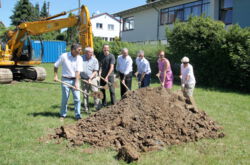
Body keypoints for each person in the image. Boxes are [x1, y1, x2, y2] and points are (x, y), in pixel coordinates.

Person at [54, 43, 83, 120]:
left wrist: (76, 82)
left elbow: (78, 71)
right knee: (65, 98)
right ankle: (62, 115)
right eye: (79, 49)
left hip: (75, 79)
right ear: (73, 50)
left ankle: (78, 115)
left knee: (77, 98)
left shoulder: (79, 58)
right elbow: (56, 65)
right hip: (65, 79)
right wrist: (55, 76)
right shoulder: (64, 56)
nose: (80, 51)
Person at [80, 47, 101, 113]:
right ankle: (86, 108)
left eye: (92, 52)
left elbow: (95, 71)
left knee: (96, 93)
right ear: (86, 52)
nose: (92, 54)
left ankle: (97, 108)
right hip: (83, 79)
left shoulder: (95, 60)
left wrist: (90, 79)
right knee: (85, 94)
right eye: (90, 52)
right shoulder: (80, 58)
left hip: (93, 79)